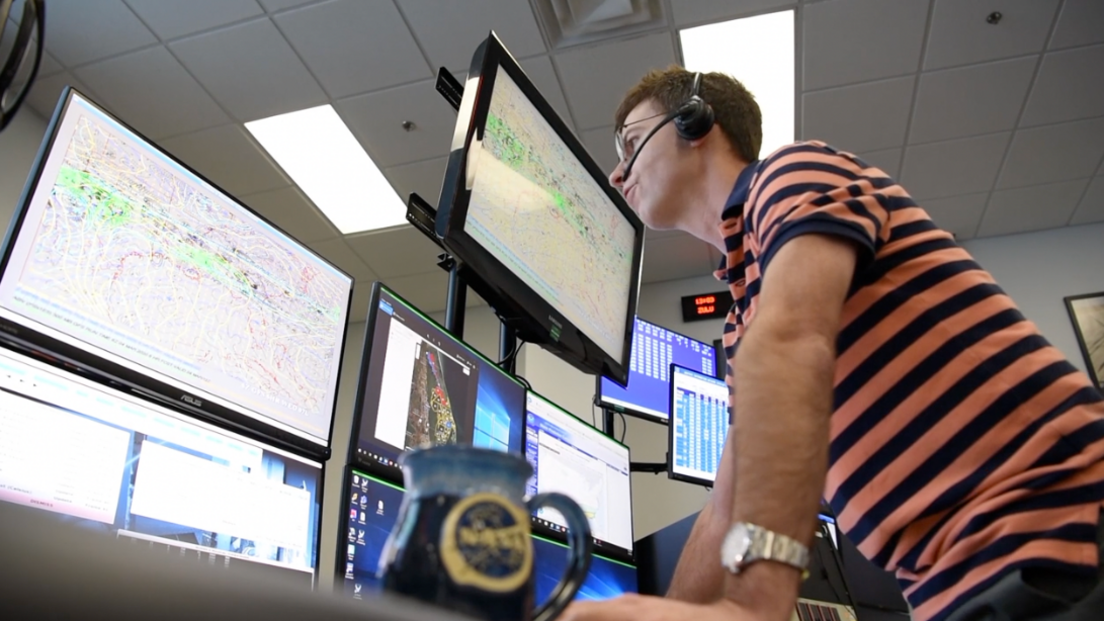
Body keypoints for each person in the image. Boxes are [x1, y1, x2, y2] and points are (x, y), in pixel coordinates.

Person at [563, 67, 1104, 621]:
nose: (616, 172)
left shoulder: (790, 173)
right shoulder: (744, 316)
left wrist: (755, 600)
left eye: (631, 144)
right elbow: (725, 508)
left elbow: (795, 339)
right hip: (961, 586)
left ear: (694, 121)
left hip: (1054, 529)